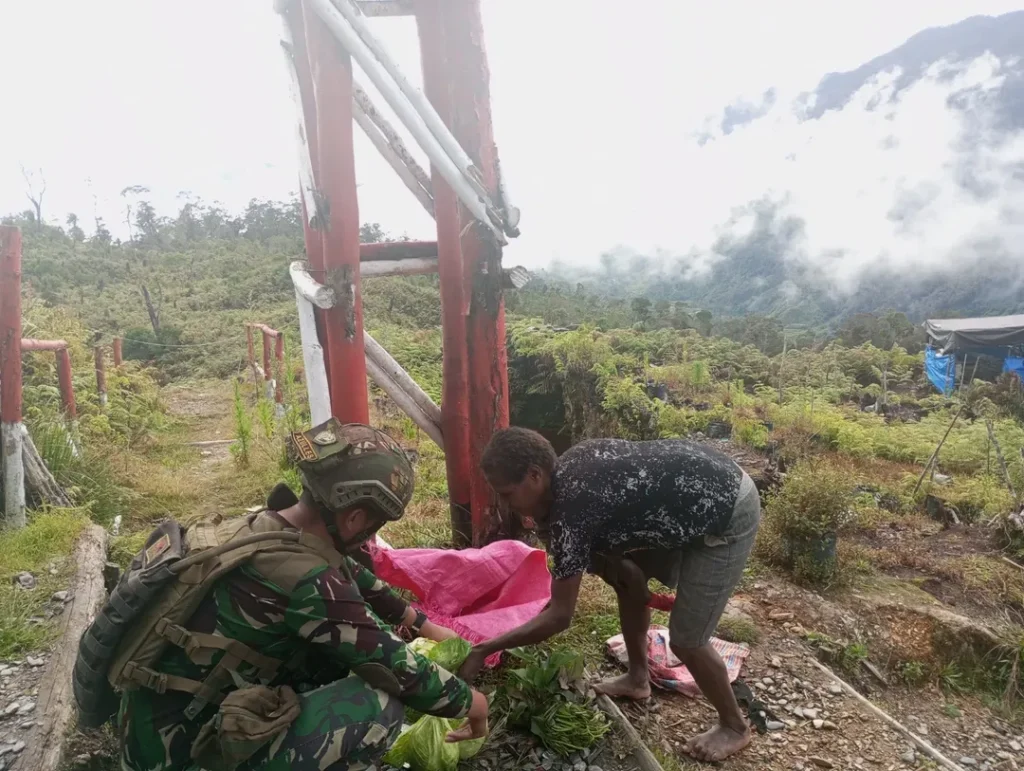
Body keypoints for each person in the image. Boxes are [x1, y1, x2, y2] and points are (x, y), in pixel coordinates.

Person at [117, 419, 488, 771]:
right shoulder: (312, 586)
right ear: (355, 518)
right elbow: (403, 672)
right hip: (187, 756)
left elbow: (348, 571)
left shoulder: (258, 527)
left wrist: (418, 622)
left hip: (149, 737)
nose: (368, 538)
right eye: (372, 527)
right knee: (380, 705)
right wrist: (476, 705)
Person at [457, 428, 760, 763]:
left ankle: (734, 726)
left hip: (727, 509)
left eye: (507, 493)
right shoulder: (566, 474)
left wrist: (486, 648)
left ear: (535, 475)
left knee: (688, 640)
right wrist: (626, 571)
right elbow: (614, 550)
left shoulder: (573, 510)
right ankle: (637, 677)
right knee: (626, 583)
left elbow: (560, 616)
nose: (504, 504)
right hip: (692, 494)